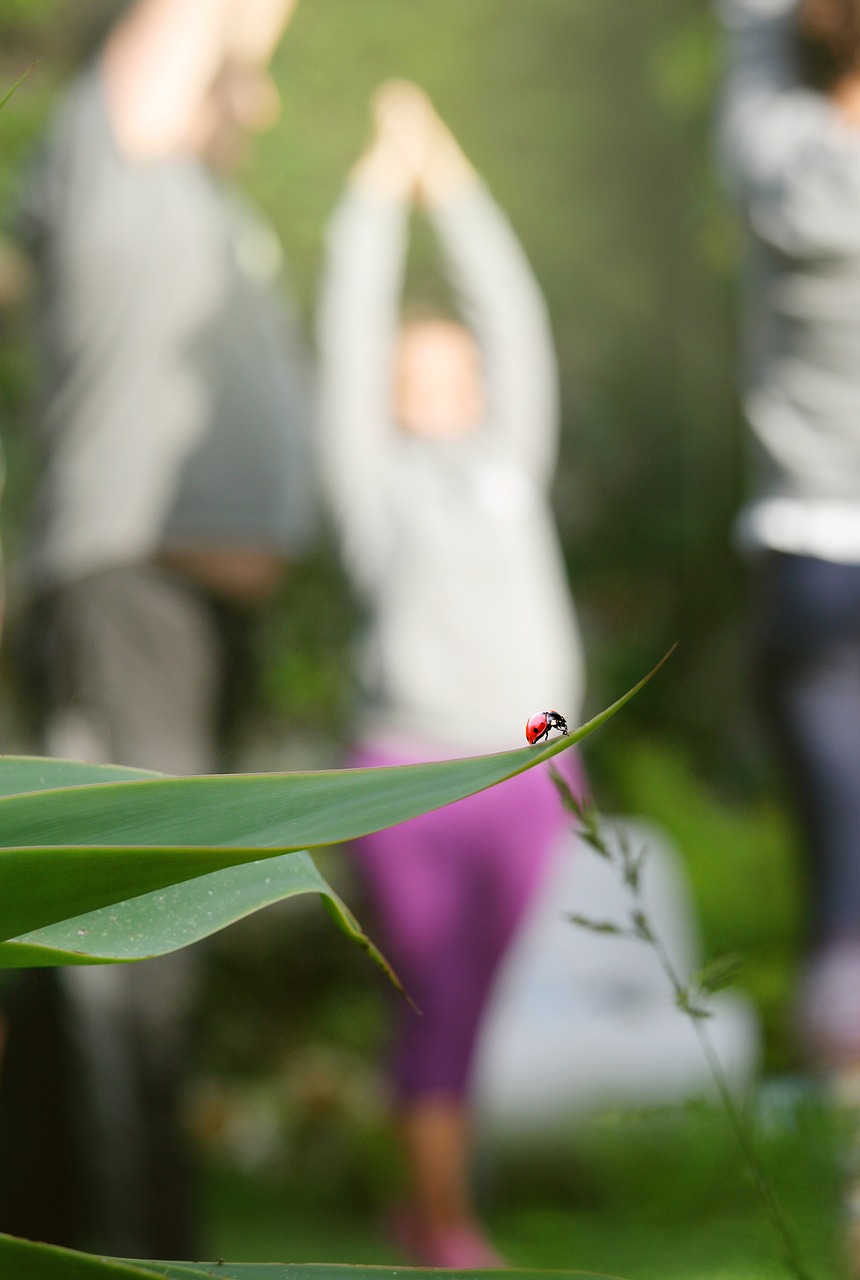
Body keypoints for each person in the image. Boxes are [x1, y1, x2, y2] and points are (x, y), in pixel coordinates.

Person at [0, 0, 315, 1256]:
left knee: (135, 958)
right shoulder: (108, 160)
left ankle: (64, 1228)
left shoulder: (190, 198)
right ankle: (129, 1249)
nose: (265, 97)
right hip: (126, 597)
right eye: (233, 76)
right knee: (127, 962)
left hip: (191, 615)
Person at [318, 81, 587, 1269]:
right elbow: (341, 335)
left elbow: (513, 314)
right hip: (406, 770)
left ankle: (424, 1201)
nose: (436, 393)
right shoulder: (371, 491)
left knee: (463, 999)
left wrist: (451, 179)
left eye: (452, 373)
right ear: (384, 396)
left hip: (526, 758)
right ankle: (444, 1225)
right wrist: (376, 196)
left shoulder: (508, 465)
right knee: (431, 994)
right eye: (410, 377)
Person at [717, 0, 860, 1266]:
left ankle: (856, 1188)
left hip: (810, 555)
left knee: (842, 890)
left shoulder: (774, 158)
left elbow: (750, 36)